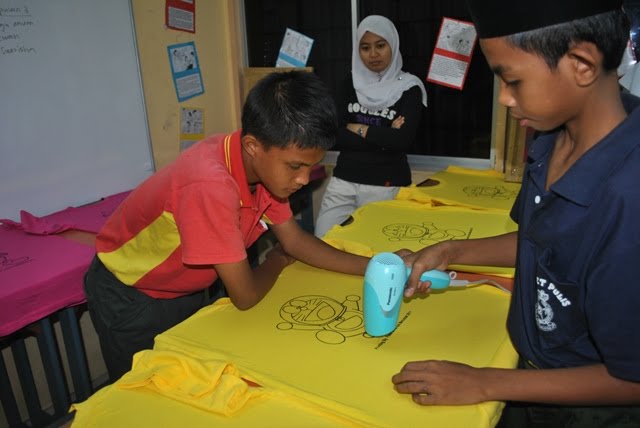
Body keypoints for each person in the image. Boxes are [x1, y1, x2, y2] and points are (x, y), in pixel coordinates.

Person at [391, 1, 640, 426]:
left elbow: (631, 378)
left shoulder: (628, 199)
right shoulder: (551, 139)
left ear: (581, 65)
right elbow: (545, 243)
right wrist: (452, 251)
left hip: (592, 409)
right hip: (528, 377)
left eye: (513, 80)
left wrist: (485, 382)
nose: (504, 98)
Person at [84, 71, 371, 382]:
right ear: (253, 146)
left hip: (184, 289)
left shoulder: (263, 168)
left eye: (311, 166)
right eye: (295, 166)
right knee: (144, 390)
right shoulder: (211, 185)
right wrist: (275, 261)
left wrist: (377, 266)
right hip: (131, 296)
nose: (303, 179)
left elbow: (294, 241)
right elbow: (245, 295)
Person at [314, 15, 427, 238]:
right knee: (324, 240)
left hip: (387, 185)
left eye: (380, 45)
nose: (373, 54)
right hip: (343, 181)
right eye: (365, 48)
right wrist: (384, 135)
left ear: (393, 45)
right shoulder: (350, 82)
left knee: (375, 249)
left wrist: (356, 127)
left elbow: (401, 141)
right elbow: (334, 135)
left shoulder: (410, 88)